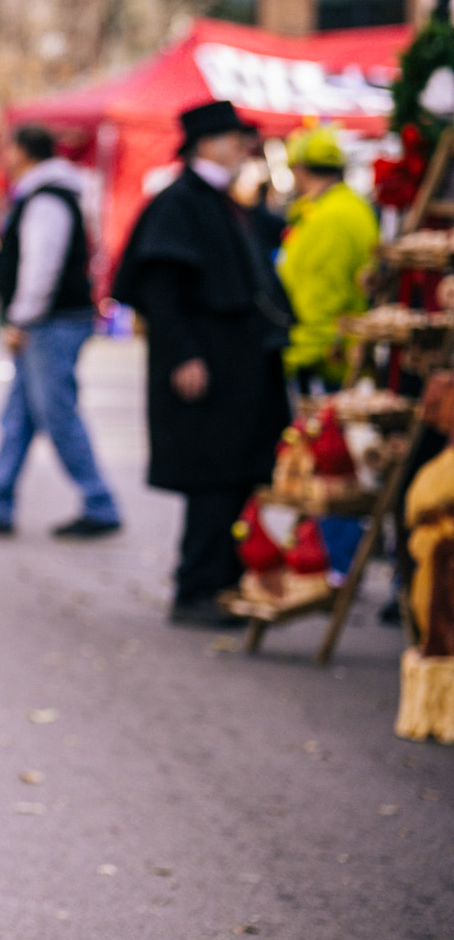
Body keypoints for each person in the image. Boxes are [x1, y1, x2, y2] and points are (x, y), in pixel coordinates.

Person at [112, 100, 294, 629]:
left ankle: (226, 583)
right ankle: (199, 588)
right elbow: (162, 290)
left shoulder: (215, 200)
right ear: (207, 144)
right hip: (208, 369)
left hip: (235, 369)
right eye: (235, 139)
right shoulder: (180, 203)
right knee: (214, 480)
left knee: (234, 477)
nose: (243, 149)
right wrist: (185, 353)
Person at [0, 124, 122, 538]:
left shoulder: (47, 197)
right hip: (50, 321)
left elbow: (41, 265)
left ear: (24, 152)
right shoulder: (50, 192)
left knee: (57, 415)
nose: (5, 158)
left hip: (50, 323)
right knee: (18, 418)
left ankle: (100, 504)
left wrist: (21, 319)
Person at [276, 124, 379, 396]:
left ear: (299, 168)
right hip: (334, 356)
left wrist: (295, 357)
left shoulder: (330, 217)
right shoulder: (346, 205)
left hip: (326, 364)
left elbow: (321, 299)